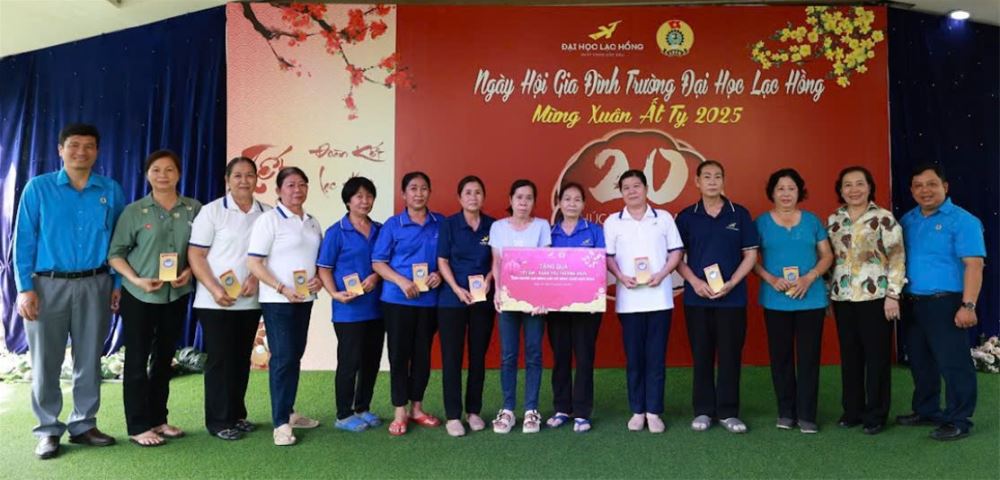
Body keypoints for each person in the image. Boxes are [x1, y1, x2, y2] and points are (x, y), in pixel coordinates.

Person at [13, 123, 124, 459]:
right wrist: (24, 288)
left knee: (89, 358)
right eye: (73, 145)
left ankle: (83, 424)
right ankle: (48, 429)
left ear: (97, 151)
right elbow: (23, 240)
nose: (81, 152)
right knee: (46, 361)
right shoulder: (38, 188)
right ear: (60, 149)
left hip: (96, 284)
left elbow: (120, 243)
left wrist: (116, 284)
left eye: (89, 146)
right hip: (46, 286)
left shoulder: (110, 190)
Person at [108, 150, 202, 446]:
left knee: (164, 359)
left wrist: (190, 271)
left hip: (176, 294)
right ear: (147, 174)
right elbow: (115, 254)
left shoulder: (194, 209)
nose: (163, 175)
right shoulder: (134, 211)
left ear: (179, 174)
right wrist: (136, 280)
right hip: (140, 296)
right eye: (156, 169)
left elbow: (202, 249)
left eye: (169, 169)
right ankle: (138, 426)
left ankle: (159, 419)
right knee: (137, 360)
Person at [896, 164, 985, 441]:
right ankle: (927, 410)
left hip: (946, 303)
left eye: (932, 184)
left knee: (953, 363)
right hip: (912, 302)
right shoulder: (907, 220)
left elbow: (974, 265)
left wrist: (968, 305)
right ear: (912, 190)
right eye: (918, 185)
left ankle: (959, 419)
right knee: (920, 361)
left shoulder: (963, 221)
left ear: (945, 187)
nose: (925, 190)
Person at [188, 157, 270, 441]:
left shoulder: (266, 213)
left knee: (240, 358)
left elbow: (269, 255)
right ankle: (218, 421)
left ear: (257, 179)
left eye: (249, 175)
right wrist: (214, 288)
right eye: (237, 175)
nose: (244, 181)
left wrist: (255, 278)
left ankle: (236, 414)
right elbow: (196, 255)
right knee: (220, 360)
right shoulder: (211, 212)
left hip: (250, 300)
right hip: (215, 302)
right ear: (227, 180)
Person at [675, 161, 758, 434]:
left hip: (732, 300)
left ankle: (728, 412)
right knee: (701, 355)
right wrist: (695, 282)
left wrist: (732, 283)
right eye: (707, 177)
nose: (712, 181)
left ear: (724, 181)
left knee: (730, 355)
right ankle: (703, 410)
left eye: (717, 176)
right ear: (697, 182)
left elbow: (750, 255)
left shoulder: (739, 214)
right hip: (697, 299)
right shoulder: (686, 217)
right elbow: (677, 258)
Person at [247, 166, 324, 446]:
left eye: (302, 184)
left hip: (304, 299)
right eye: (290, 185)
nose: (297, 190)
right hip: (278, 301)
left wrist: (319, 280)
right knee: (282, 358)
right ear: (278, 190)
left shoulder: (312, 222)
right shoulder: (269, 220)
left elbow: (318, 261)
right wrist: (281, 288)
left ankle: (289, 412)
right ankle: (280, 424)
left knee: (295, 355)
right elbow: (254, 262)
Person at [753, 168, 833, 434]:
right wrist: (771, 279)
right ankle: (786, 412)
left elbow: (827, 256)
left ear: (799, 192)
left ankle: (807, 414)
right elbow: (750, 259)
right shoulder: (761, 223)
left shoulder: (812, 221)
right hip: (775, 300)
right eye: (780, 188)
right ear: (772, 192)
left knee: (809, 358)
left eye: (791, 188)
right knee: (781, 358)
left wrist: (809, 278)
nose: (786, 194)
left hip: (811, 299)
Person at [826, 166, 905, 435]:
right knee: (850, 356)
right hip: (843, 297)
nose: (854, 189)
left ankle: (876, 414)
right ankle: (853, 411)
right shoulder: (834, 220)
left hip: (877, 298)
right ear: (840, 190)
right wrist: (827, 294)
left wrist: (893, 294)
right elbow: (829, 260)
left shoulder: (884, 218)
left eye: (860, 183)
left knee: (877, 358)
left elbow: (897, 258)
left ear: (870, 187)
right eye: (847, 185)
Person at [603, 169, 683, 434]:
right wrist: (620, 276)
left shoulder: (663, 218)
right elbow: (608, 257)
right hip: (629, 302)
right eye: (626, 187)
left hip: (660, 300)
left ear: (646, 189)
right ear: (621, 192)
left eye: (636, 186)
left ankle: (654, 412)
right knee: (635, 359)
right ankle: (637, 410)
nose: (632, 191)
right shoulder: (613, 222)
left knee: (656, 358)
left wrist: (662, 274)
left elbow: (676, 252)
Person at [371, 171, 445, 436]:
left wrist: (439, 274)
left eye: (424, 188)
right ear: (404, 194)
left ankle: (417, 408)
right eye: (413, 188)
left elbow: (448, 258)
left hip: (429, 301)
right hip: (397, 301)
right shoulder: (393, 225)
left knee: (423, 356)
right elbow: (378, 263)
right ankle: (400, 410)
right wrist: (401, 281)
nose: (419, 193)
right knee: (399, 355)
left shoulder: (440, 223)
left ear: (429, 192)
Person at [316, 176, 384, 433]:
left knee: (371, 361)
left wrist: (376, 277)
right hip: (349, 310)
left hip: (377, 307)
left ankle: (362, 407)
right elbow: (324, 268)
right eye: (359, 196)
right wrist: (334, 293)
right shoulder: (336, 232)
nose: (365, 201)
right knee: (349, 362)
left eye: (369, 196)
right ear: (348, 201)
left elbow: (385, 262)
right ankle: (343, 414)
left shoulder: (380, 229)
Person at [489, 179, 552, 434]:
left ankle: (531, 410)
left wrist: (542, 298)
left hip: (534, 303)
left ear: (534, 202)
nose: (523, 202)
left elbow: (545, 262)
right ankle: (507, 409)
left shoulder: (542, 226)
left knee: (534, 354)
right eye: (519, 197)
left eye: (528, 198)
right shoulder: (498, 227)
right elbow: (496, 261)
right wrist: (497, 291)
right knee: (508, 355)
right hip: (508, 299)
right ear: (511, 200)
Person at [436, 176, 495, 437]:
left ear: (484, 197)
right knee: (452, 358)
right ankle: (453, 415)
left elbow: (498, 260)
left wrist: (490, 280)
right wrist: (457, 289)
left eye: (478, 192)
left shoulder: (493, 225)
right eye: (468, 192)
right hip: (452, 300)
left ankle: (473, 411)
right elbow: (442, 260)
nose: (473, 197)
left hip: (482, 299)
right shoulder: (449, 224)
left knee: (477, 357)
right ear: (460, 198)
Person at [545, 182, 605, 433]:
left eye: (577, 199)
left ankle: (581, 412)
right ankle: (561, 408)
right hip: (556, 308)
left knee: (584, 357)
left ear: (583, 204)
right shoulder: (548, 233)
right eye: (567, 199)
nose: (572, 203)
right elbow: (540, 269)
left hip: (587, 308)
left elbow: (602, 266)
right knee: (560, 357)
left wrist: (595, 298)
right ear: (559, 203)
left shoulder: (595, 231)